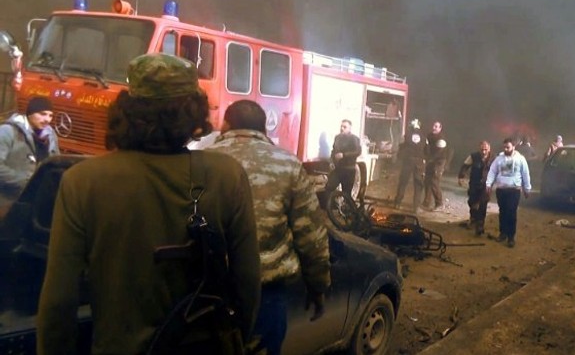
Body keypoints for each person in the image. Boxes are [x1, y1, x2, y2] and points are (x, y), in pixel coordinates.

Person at [37, 53, 261, 355]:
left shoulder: (82, 181)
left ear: (125, 109)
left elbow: (58, 302)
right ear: (194, 113)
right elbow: (247, 283)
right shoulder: (227, 175)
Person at [207, 100, 331, 355]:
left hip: (206, 294)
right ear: (263, 129)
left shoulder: (202, 161)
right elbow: (311, 236)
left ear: (226, 126)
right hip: (266, 297)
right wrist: (318, 287)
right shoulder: (288, 165)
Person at [0, 96, 60, 215]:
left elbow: (56, 163)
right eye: (42, 114)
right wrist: (27, 181)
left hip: (37, 202)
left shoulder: (50, 135)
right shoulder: (7, 131)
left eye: (50, 115)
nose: (47, 119)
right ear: (30, 113)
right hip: (8, 202)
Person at [486, 138, 531, 248]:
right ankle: (503, 234)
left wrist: (527, 188)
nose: (506, 149)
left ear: (514, 146)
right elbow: (492, 171)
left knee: (511, 212)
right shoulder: (499, 159)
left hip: (514, 190)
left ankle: (511, 237)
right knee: (502, 212)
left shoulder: (520, 159)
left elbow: (525, 173)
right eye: (504, 147)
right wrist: (488, 184)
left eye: (508, 147)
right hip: (501, 190)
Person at [457, 140, 494, 236]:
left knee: (483, 204)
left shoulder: (494, 158)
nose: (484, 152)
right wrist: (461, 177)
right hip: (474, 183)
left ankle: (480, 224)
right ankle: (473, 218)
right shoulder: (473, 156)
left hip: (486, 185)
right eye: (482, 149)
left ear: (489, 149)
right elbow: (465, 166)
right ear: (479, 148)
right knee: (472, 201)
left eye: (486, 149)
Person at [393, 119, 426, 212]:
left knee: (403, 182)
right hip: (419, 162)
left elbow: (401, 147)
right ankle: (416, 207)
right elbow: (427, 150)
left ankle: (397, 203)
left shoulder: (407, 135)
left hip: (408, 161)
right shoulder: (423, 137)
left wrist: (400, 158)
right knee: (418, 185)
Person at [325, 119, 362, 201]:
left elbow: (357, 152)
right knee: (329, 187)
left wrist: (344, 155)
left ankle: (348, 210)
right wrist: (331, 161)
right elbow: (333, 151)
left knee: (346, 193)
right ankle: (329, 208)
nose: (342, 128)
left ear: (350, 128)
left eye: (345, 127)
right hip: (338, 169)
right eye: (341, 126)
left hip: (349, 169)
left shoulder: (354, 139)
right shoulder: (337, 137)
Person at [421, 120, 449, 211]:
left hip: (439, 162)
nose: (434, 128)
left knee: (434, 181)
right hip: (431, 160)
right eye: (433, 126)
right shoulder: (429, 136)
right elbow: (426, 148)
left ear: (440, 128)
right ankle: (426, 202)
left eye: (436, 126)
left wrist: (430, 159)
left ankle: (439, 203)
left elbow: (439, 152)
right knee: (427, 181)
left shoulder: (441, 138)